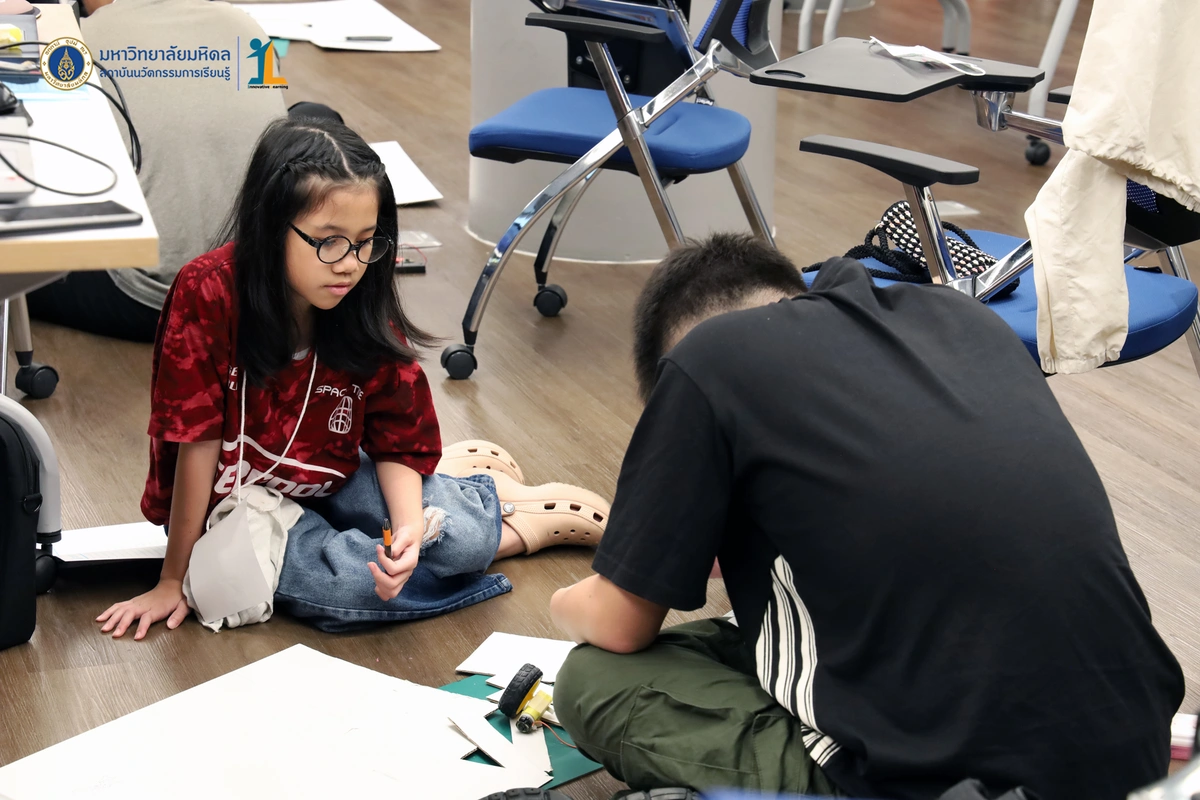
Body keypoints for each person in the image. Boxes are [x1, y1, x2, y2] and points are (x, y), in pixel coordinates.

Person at [549, 233, 1185, 800]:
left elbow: (618, 627)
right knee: (768, 622)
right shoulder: (963, 315)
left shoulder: (704, 357)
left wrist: (569, 598)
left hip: (958, 787)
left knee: (596, 679)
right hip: (1141, 749)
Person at [94, 116, 610, 640]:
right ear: (271, 226)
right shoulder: (208, 291)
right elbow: (196, 443)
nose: (350, 265)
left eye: (366, 242)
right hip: (230, 506)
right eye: (329, 242)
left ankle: (486, 511)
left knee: (458, 545)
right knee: (355, 588)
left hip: (328, 476)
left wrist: (407, 531)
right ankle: (491, 513)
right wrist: (172, 579)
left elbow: (397, 434)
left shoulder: (358, 300)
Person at [26, 0, 288, 342]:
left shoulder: (72, 41)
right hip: (264, 289)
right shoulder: (245, 24)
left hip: (154, 298)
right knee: (311, 116)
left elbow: (45, 164)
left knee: (15, 263)